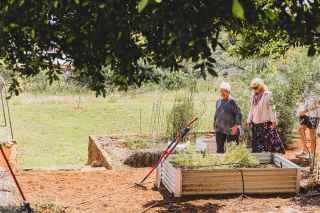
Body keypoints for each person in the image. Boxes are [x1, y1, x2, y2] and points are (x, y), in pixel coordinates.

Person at [247, 78, 285, 153]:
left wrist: (274, 120)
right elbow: (251, 108)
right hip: (255, 124)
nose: (254, 89)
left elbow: (272, 109)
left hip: (266, 124)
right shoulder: (253, 96)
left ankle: (271, 159)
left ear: (261, 86)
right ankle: (260, 160)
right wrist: (249, 119)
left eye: (256, 87)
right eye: (253, 88)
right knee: (257, 145)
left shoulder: (268, 95)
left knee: (269, 143)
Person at [214, 82, 242, 153]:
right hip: (219, 129)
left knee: (232, 150)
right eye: (221, 91)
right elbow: (217, 113)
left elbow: (238, 114)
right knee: (219, 150)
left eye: (225, 91)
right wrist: (214, 124)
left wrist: (236, 126)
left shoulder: (232, 101)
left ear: (229, 92)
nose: (223, 93)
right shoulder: (218, 101)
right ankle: (221, 163)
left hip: (230, 129)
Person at [296, 93, 320, 158]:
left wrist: (306, 110)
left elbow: (318, 104)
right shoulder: (306, 88)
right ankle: (305, 150)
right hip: (305, 115)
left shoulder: (316, 88)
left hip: (314, 115)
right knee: (300, 129)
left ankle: (312, 155)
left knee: (312, 135)